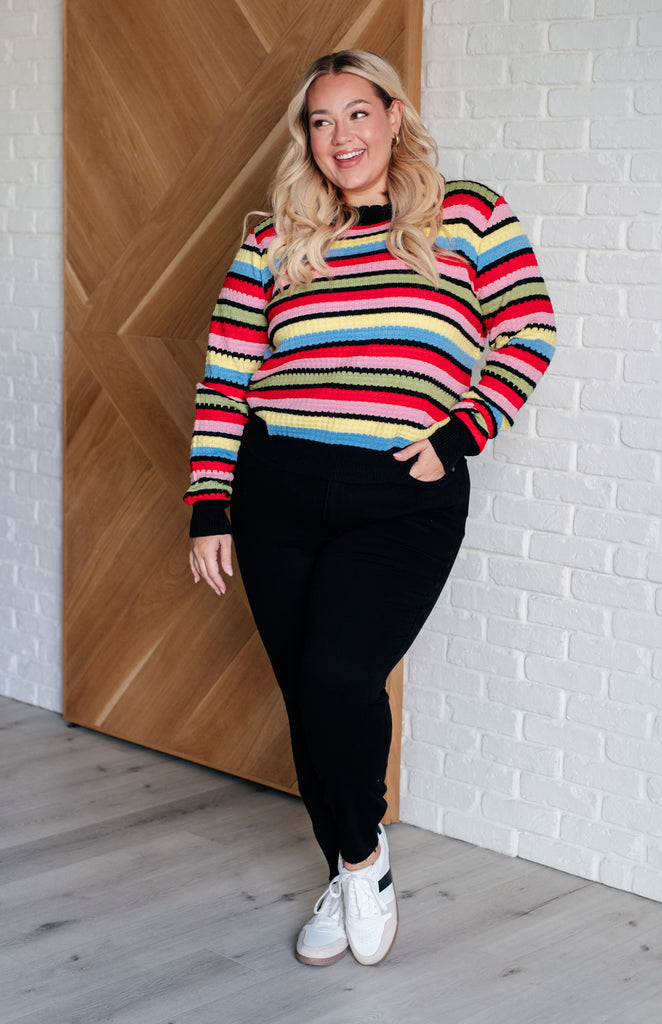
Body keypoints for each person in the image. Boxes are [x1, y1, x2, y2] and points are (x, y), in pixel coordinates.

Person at [185, 49, 555, 967]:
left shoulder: (467, 213)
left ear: (394, 116)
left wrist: (460, 432)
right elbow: (227, 375)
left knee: (338, 683)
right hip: (275, 491)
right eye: (320, 120)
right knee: (308, 701)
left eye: (357, 112)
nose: (339, 135)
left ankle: (357, 858)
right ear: (305, 138)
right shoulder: (273, 238)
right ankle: (355, 867)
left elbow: (528, 328)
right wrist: (208, 504)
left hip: (398, 497)